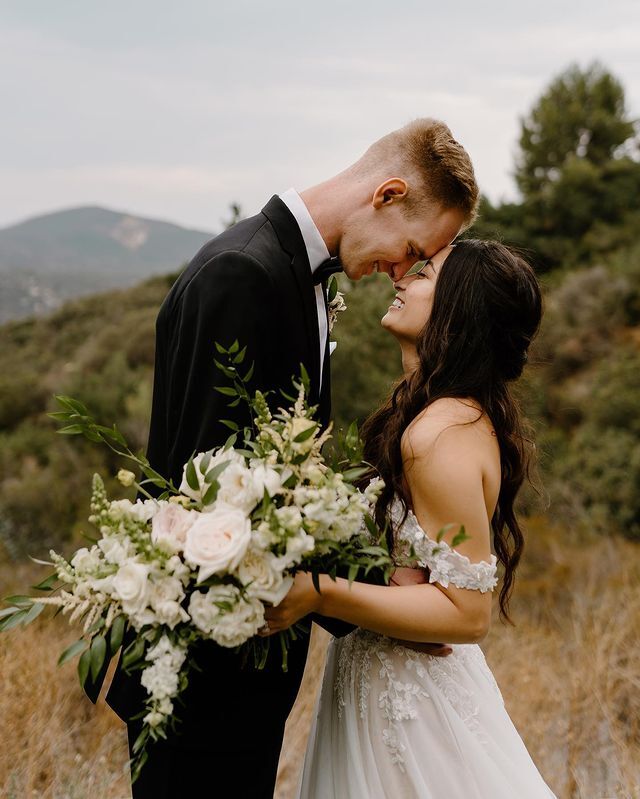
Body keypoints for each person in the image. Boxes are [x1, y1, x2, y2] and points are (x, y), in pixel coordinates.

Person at [82, 119, 479, 798]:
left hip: (244, 671)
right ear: (385, 194)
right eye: (411, 249)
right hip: (203, 678)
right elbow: (215, 495)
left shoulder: (296, 276)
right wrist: (374, 609)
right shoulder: (244, 273)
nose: (399, 271)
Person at [265, 240, 558, 797]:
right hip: (382, 680)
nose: (401, 279)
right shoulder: (434, 414)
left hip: (411, 709)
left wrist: (319, 593)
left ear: (459, 309)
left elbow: (466, 614)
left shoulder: (440, 435)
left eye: (426, 274)